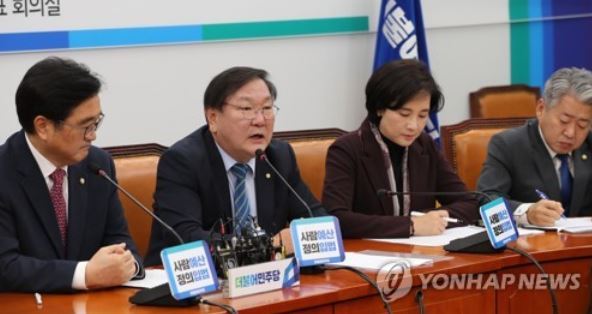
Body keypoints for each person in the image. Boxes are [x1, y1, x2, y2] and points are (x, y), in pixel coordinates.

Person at [145, 66, 325, 266]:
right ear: (213, 118)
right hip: (190, 286)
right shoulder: (183, 162)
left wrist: (299, 237)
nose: (260, 120)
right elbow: (185, 239)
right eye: (246, 109)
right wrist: (269, 245)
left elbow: (318, 220)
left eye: (267, 108)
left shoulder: (278, 157)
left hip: (265, 283)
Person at [0, 57, 144, 292]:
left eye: (96, 123)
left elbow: (122, 244)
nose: (92, 136)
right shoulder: (4, 172)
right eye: (84, 126)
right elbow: (5, 266)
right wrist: (84, 274)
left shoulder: (98, 165)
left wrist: (127, 265)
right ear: (43, 126)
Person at [322, 59, 479, 239]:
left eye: (422, 115)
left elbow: (468, 202)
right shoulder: (347, 150)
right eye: (404, 114)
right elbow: (336, 219)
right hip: (369, 257)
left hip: (423, 256)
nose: (413, 125)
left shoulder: (424, 145)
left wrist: (433, 219)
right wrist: (410, 225)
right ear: (380, 108)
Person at [477, 67, 592, 227]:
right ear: (541, 109)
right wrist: (526, 213)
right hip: (533, 247)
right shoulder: (508, 145)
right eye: (564, 121)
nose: (571, 133)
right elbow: (484, 200)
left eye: (582, 124)